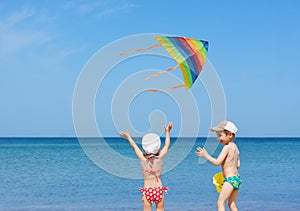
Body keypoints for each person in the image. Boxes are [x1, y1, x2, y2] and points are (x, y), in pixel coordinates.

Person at [120, 122, 172, 211]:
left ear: (144, 149)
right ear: (158, 148)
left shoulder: (143, 160)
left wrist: (129, 137)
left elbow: (134, 146)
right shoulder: (159, 159)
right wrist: (167, 132)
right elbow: (167, 145)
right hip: (158, 189)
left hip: (148, 190)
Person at [196, 120, 241, 211]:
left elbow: (217, 162)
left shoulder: (226, 147)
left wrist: (206, 155)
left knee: (220, 203)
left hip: (230, 180)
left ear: (230, 135)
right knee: (232, 204)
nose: (218, 138)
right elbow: (238, 165)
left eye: (220, 135)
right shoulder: (235, 148)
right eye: (217, 136)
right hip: (237, 179)